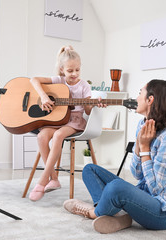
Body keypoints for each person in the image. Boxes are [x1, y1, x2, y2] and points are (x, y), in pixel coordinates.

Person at [63, 79, 166, 234]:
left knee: (116, 187)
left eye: (139, 93)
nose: (136, 98)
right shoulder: (142, 126)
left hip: (163, 214)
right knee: (90, 170)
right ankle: (119, 217)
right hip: (143, 198)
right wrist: (139, 146)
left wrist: (144, 148)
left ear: (150, 99)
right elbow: (137, 174)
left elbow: (155, 188)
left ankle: (93, 213)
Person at [29, 45, 105, 201]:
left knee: (58, 136)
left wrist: (92, 104)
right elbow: (33, 80)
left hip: (75, 121)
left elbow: (88, 112)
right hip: (57, 119)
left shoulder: (84, 86)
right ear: (62, 69)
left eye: (77, 70)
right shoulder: (58, 81)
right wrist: (43, 96)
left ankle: (43, 181)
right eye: (70, 71)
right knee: (41, 137)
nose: (74, 74)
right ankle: (54, 179)